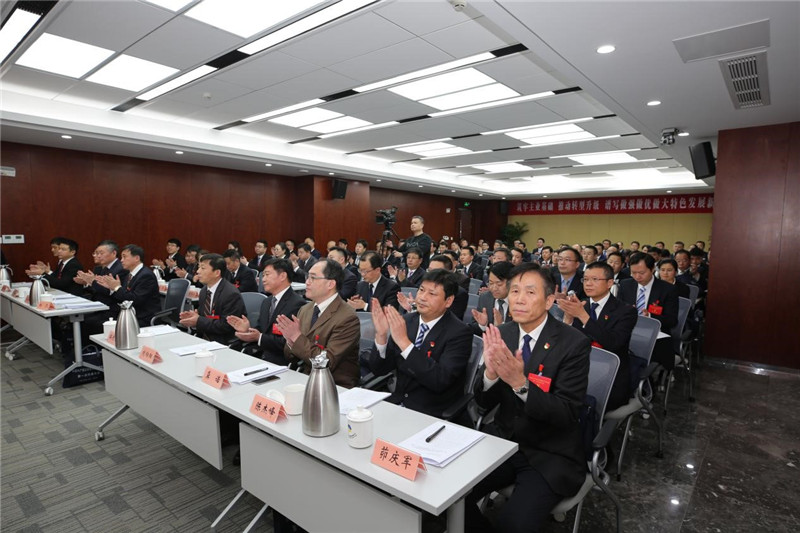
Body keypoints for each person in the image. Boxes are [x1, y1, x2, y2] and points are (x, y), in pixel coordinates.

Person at [465, 263, 590, 532]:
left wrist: (520, 384)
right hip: (504, 440)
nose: (519, 299)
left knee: (513, 525)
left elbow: (566, 413)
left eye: (530, 292)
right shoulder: (504, 333)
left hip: (549, 451)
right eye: (515, 291)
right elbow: (483, 403)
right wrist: (490, 374)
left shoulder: (573, 343)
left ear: (549, 301)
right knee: (452, 495)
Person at [366, 269, 473, 418]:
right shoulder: (407, 321)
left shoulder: (459, 333)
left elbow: (439, 380)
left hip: (432, 412)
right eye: (421, 290)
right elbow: (379, 370)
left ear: (448, 301)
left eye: (432, 294)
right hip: (399, 404)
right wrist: (382, 336)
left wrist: (404, 342)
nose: (422, 297)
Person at [559, 262, 636, 410]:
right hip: (578, 369)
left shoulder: (626, 311)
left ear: (609, 283)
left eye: (595, 279)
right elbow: (567, 342)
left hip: (609, 375)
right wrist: (568, 318)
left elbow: (613, 343)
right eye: (586, 279)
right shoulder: (582, 305)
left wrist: (582, 316)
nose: (588, 284)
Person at [279, 259, 360, 388]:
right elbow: (290, 357)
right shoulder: (305, 309)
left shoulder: (348, 318)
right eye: (307, 277)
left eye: (313, 278)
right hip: (304, 377)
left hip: (334, 384)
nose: (307, 282)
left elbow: (326, 363)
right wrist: (290, 340)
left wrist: (296, 337)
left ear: (330, 284)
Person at [227, 258, 305, 366]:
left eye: (267, 275)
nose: (263, 279)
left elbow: (289, 342)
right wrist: (247, 330)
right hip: (261, 356)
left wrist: (259, 337)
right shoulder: (267, 302)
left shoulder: (297, 304)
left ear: (282, 276)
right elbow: (262, 329)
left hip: (282, 362)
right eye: (263, 275)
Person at [618, 252, 679, 369]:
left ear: (652, 269)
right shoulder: (626, 285)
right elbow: (617, 310)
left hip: (654, 333)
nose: (637, 277)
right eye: (633, 272)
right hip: (629, 328)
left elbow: (672, 320)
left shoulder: (668, 289)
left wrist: (650, 316)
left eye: (641, 273)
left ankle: (652, 373)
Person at [179, 253, 246, 344]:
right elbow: (204, 318)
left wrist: (198, 321)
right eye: (198, 267)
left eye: (203, 268)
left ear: (217, 273)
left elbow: (226, 325)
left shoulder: (231, 294)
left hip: (222, 342)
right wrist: (192, 319)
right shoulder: (204, 291)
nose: (198, 271)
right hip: (203, 339)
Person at [74, 240, 128, 338]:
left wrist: (92, 282)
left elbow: (112, 292)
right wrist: (87, 283)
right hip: (99, 305)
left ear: (114, 253)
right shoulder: (100, 268)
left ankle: (87, 346)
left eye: (101, 253)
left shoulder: (120, 269)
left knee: (83, 321)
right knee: (76, 317)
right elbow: (97, 290)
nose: (98, 256)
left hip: (112, 308)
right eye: (96, 253)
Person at [96, 244, 160, 326]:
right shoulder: (129, 274)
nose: (121, 260)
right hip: (129, 315)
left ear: (136, 258)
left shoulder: (146, 275)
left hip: (143, 318)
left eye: (124, 257)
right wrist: (112, 288)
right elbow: (124, 296)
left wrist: (117, 287)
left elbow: (134, 300)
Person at [468, 261, 514, 336]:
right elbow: (475, 327)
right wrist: (483, 325)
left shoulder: (520, 302)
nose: (494, 288)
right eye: (491, 283)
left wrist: (501, 327)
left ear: (512, 282)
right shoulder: (485, 297)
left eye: (499, 284)